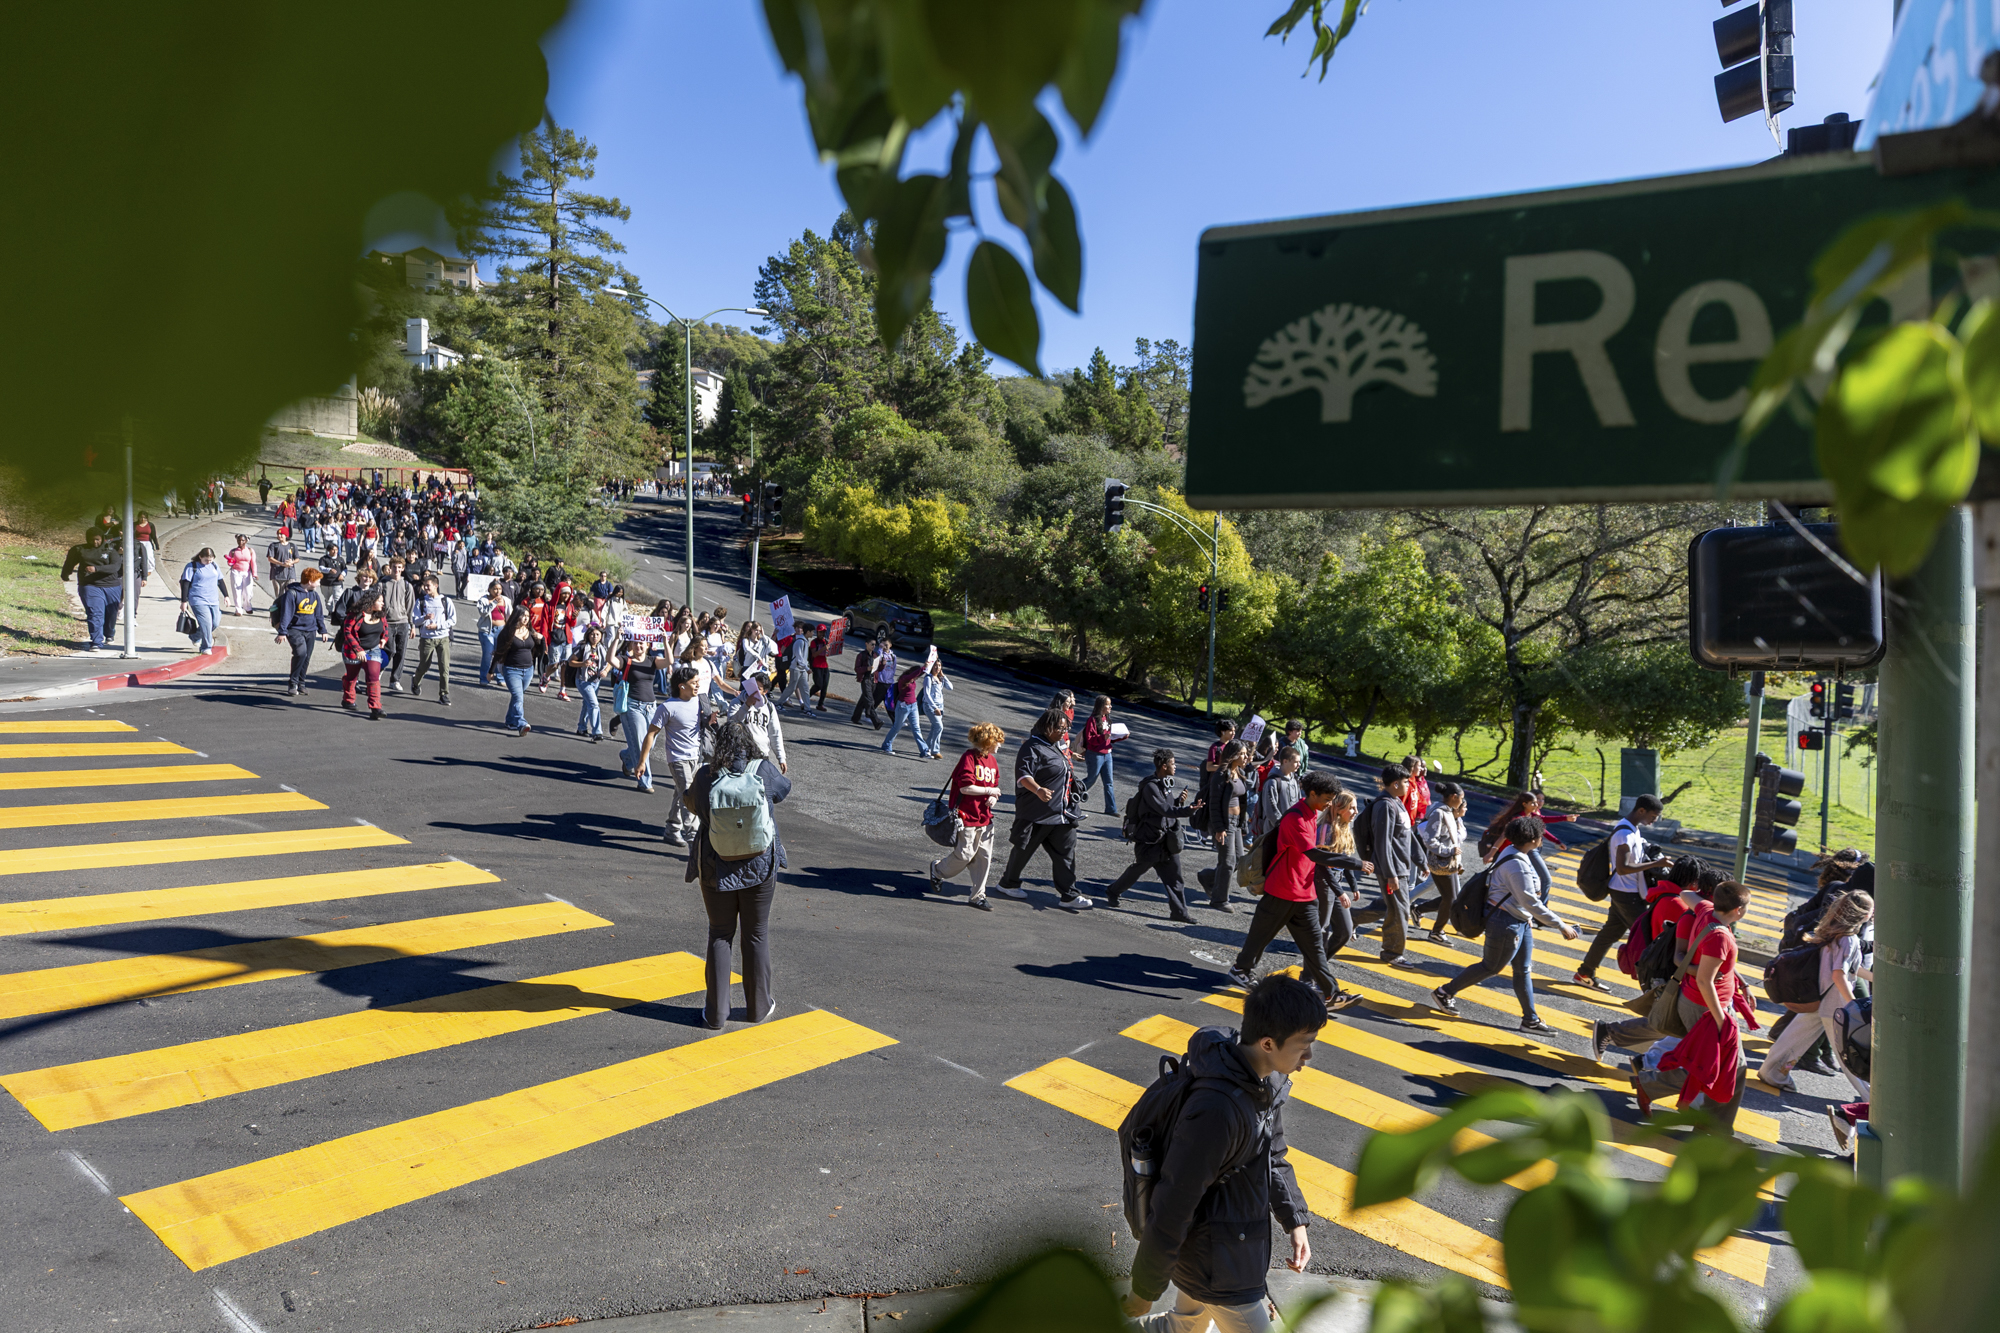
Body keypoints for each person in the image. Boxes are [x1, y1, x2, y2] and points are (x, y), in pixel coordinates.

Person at [1123, 975, 1317, 1333]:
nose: (1309, 1055)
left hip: (1228, 1247)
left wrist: (1295, 1220)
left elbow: (1272, 1154)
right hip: (1217, 1261)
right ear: (1268, 1043)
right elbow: (1174, 1202)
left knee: (1186, 1326)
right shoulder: (1217, 1111)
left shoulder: (1264, 1081)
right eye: (1303, 1045)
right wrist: (1145, 1288)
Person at [684, 718, 792, 1028]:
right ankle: (758, 1008)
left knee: (720, 934)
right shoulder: (763, 770)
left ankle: (716, 1014)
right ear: (750, 744)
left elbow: (690, 803)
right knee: (756, 934)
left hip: (715, 865)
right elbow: (784, 789)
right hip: (760, 865)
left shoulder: (706, 775)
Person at [1630, 880, 1759, 1132]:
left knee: (1721, 1065)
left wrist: (1741, 984)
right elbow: (1704, 980)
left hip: (1698, 1002)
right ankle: (1655, 1088)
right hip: (1706, 1008)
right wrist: (1721, 1019)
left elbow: (1686, 893)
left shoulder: (1706, 910)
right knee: (1722, 1066)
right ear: (1739, 910)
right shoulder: (1720, 937)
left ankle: (1710, 1122)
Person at [1430, 816, 1578, 1032]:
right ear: (1533, 839)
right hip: (1505, 923)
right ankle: (1445, 992)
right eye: (1540, 836)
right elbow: (1530, 901)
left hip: (1519, 920)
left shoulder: (1513, 851)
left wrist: (1529, 916)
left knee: (1523, 970)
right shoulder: (1517, 864)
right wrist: (1560, 925)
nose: (1542, 839)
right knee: (1491, 966)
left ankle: (1530, 1020)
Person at [1227, 771, 1345, 1007]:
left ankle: (1332, 994)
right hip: (1282, 890)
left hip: (1304, 893)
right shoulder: (1296, 818)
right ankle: (1240, 969)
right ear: (1313, 794)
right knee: (1260, 936)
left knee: (1315, 948)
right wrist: (1355, 864)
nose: (1330, 804)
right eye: (1327, 799)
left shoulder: (1312, 813)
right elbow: (1313, 854)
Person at [1753, 889, 1873, 1098]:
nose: (1874, 913)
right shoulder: (1849, 939)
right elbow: (1839, 974)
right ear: (1862, 914)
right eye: (1872, 909)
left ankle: (1771, 1072)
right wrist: (1852, 1005)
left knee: (1793, 1037)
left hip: (1818, 997)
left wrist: (1875, 978)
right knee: (1847, 1052)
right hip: (1833, 1003)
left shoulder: (1834, 933)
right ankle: (1871, 1097)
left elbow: (1852, 968)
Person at [993, 707, 1091, 910]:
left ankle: (1069, 895)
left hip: (1062, 813)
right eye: (1060, 728)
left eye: (1066, 729)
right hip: (1037, 812)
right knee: (1023, 850)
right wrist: (1038, 790)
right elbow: (1023, 776)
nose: (1064, 732)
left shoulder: (1057, 746)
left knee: (1066, 853)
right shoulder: (1032, 747)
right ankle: (1008, 883)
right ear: (1047, 727)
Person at [1574, 794, 1673, 990]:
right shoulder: (1624, 834)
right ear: (1641, 810)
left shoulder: (1632, 828)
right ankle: (1653, 989)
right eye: (1653, 816)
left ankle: (1584, 973)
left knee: (1608, 935)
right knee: (1649, 942)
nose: (1654, 820)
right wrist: (1656, 864)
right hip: (1627, 896)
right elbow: (1623, 868)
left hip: (1624, 892)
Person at [1103, 749, 1197, 923]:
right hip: (1150, 842)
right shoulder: (1150, 787)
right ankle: (1113, 891)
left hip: (1165, 841)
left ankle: (1179, 913)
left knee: (1175, 878)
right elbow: (1164, 809)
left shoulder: (1165, 784)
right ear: (1164, 766)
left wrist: (1179, 801)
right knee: (1136, 872)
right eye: (1173, 763)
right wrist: (1187, 811)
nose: (1175, 766)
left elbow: (1168, 807)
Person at [929, 722, 1006, 909]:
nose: (1000, 745)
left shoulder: (992, 761)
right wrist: (990, 790)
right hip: (965, 816)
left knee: (984, 857)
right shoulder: (969, 758)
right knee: (964, 855)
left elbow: (994, 787)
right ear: (988, 741)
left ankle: (977, 896)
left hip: (985, 817)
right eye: (997, 741)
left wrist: (993, 797)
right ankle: (937, 870)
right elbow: (966, 788)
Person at [1366, 765, 1424, 968]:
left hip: (1401, 867)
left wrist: (1421, 860)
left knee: (1389, 906)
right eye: (1406, 782)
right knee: (1400, 911)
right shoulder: (1385, 806)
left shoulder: (1397, 802)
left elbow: (1407, 835)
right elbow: (1382, 843)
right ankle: (1392, 952)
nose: (1409, 785)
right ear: (1396, 784)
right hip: (1392, 869)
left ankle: (1350, 919)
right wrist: (1391, 874)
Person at [641, 666, 706, 846]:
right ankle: (694, 841)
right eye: (694, 683)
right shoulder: (667, 707)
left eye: (698, 682)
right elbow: (651, 734)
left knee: (681, 793)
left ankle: (671, 829)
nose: (698, 685)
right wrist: (642, 762)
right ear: (681, 686)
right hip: (678, 759)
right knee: (690, 796)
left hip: (697, 757)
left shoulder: (699, 701)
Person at [1195, 742, 1252, 912]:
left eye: (1246, 753)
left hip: (1235, 822)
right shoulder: (1220, 775)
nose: (1246, 757)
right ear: (1233, 755)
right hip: (1223, 822)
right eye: (1242, 754)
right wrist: (1219, 829)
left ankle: (1208, 878)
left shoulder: (1240, 772)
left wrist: (1242, 825)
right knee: (1227, 862)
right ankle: (1219, 900)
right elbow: (1214, 805)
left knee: (1239, 861)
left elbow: (1242, 802)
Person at [1414, 781, 1468, 942]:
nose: (1462, 802)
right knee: (1451, 899)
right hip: (1441, 862)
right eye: (1461, 798)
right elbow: (1430, 840)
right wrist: (1449, 851)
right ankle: (1436, 931)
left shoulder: (1447, 811)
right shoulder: (1439, 812)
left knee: (1451, 898)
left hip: (1448, 862)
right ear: (1454, 797)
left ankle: (1421, 913)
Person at [62, 529, 124, 651]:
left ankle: (109, 633)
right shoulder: (79, 550)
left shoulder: (110, 550)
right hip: (89, 585)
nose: (95, 542)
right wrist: (65, 574)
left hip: (111, 585)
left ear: (102, 538)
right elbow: (69, 562)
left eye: (97, 539)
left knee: (111, 614)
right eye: (92, 539)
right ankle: (96, 641)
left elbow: (115, 566)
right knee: (95, 613)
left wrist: (96, 569)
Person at [272, 567, 328, 698]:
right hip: (295, 629)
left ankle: (301, 683)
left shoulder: (314, 595)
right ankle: (293, 683)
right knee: (300, 653)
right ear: (310, 581)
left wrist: (323, 630)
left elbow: (319, 614)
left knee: (306, 657)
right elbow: (286, 614)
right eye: (318, 581)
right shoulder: (291, 594)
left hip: (311, 630)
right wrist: (282, 632)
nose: (319, 583)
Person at [336, 588, 389, 719]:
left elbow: (386, 629)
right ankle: (348, 699)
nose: (382, 603)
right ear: (371, 602)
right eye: (380, 601)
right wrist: (358, 650)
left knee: (373, 677)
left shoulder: (380, 615)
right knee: (352, 677)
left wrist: (384, 639)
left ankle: (376, 707)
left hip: (373, 650)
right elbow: (348, 633)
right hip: (353, 650)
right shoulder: (355, 615)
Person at [494, 600, 544, 736]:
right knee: (518, 697)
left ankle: (510, 721)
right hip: (512, 670)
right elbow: (498, 653)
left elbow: (540, 651)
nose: (526, 618)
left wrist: (542, 639)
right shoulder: (507, 633)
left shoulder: (530, 632)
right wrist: (491, 671)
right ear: (517, 616)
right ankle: (521, 723)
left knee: (518, 697)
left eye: (528, 616)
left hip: (528, 670)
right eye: (523, 615)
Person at [411, 574, 456, 705]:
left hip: (443, 638)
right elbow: (415, 620)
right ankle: (416, 682)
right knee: (424, 666)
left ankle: (444, 694)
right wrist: (424, 618)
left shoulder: (446, 601)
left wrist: (438, 626)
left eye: (428, 585)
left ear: (436, 586)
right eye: (424, 585)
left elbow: (452, 620)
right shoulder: (421, 601)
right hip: (427, 638)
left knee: (444, 667)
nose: (425, 588)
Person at [731, 673, 789, 772]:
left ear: (765, 692)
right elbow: (731, 724)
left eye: (758, 689)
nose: (753, 692)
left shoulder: (769, 707)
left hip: (761, 754)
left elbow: (775, 733)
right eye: (751, 687)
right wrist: (746, 705)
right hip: (741, 753)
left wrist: (781, 757)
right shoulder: (737, 702)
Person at [1078, 695, 1126, 815]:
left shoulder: (1107, 719)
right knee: (1091, 779)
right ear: (1101, 706)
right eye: (1107, 704)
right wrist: (1102, 737)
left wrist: (1122, 737)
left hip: (1107, 754)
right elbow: (1090, 739)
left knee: (1109, 782)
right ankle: (1071, 794)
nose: (1110, 707)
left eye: (1110, 704)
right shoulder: (1092, 720)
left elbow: (1109, 739)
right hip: (1095, 754)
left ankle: (1111, 809)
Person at [378, 556, 415, 695]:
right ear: (390, 567)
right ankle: (380, 669)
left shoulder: (407, 585)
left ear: (403, 569)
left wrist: (412, 625)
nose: (396, 570)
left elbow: (410, 607)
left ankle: (395, 679)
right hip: (387, 622)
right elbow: (376, 603)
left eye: (399, 567)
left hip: (403, 622)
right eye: (394, 567)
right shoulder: (382, 584)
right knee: (389, 650)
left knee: (401, 652)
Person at [178, 546, 226, 652]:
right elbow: (185, 584)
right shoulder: (191, 566)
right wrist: (184, 601)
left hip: (213, 600)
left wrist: (226, 596)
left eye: (210, 560)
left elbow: (220, 581)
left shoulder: (214, 566)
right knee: (206, 623)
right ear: (200, 557)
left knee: (215, 623)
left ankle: (195, 636)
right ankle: (206, 647)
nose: (208, 562)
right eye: (206, 560)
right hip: (198, 599)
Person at [881, 656, 929, 757]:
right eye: (916, 675)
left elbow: (919, 673)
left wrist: (928, 665)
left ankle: (924, 751)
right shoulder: (904, 679)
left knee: (916, 729)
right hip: (903, 707)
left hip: (913, 706)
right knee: (896, 727)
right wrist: (923, 668)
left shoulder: (912, 679)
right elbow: (914, 674)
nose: (916, 678)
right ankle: (886, 745)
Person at [1253, 746, 1303, 841]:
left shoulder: (1294, 780)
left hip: (1291, 829)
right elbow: (1270, 809)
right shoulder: (1273, 781)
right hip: (1274, 830)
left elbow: (1298, 803)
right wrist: (1281, 825)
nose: (1299, 765)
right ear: (1285, 761)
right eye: (1296, 762)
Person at [572, 623, 610, 740]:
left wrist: (606, 671)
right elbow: (571, 662)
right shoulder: (582, 647)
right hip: (583, 680)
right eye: (592, 634)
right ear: (588, 635)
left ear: (601, 636)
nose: (595, 637)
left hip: (596, 681)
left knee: (587, 703)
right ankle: (597, 732)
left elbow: (610, 661)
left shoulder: (602, 648)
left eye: (597, 634)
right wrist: (582, 664)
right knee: (594, 705)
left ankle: (581, 728)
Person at [918, 657, 953, 760]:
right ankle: (935, 751)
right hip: (930, 706)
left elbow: (950, 687)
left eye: (939, 666)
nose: (937, 668)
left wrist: (943, 676)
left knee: (935, 727)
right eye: (935, 666)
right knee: (939, 727)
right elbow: (927, 694)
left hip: (940, 706)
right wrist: (934, 707)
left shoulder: (940, 678)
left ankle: (926, 748)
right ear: (931, 667)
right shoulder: (928, 678)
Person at [476, 582, 509, 685]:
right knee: (488, 654)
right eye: (495, 589)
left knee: (500, 654)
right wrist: (493, 603)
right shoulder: (483, 600)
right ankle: (484, 678)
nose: (497, 591)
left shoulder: (506, 600)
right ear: (489, 589)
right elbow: (483, 613)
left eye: (499, 589)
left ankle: (500, 677)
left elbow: (509, 615)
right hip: (487, 631)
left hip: (501, 630)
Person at [850, 635, 883, 727]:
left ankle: (855, 718)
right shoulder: (861, 655)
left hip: (873, 680)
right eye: (872, 644)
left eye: (875, 645)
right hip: (865, 679)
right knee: (869, 701)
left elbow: (879, 669)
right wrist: (866, 668)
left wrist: (882, 664)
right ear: (866, 644)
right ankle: (876, 721)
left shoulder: (875, 655)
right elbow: (857, 669)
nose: (873, 646)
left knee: (864, 700)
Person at [222, 534, 258, 615]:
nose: (241, 542)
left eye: (243, 540)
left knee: (248, 591)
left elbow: (253, 562)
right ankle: (238, 609)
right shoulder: (233, 551)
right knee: (237, 591)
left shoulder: (250, 551)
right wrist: (230, 562)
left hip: (247, 572)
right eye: (239, 540)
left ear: (246, 541)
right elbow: (230, 563)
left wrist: (254, 574)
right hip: (236, 572)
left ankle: (247, 606)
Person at [266, 528, 299, 601]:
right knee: (279, 597)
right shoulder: (274, 545)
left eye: (281, 534)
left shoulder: (292, 546)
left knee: (290, 595)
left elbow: (297, 559)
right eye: (278, 534)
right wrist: (282, 564)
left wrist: (292, 562)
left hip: (290, 574)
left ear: (286, 535)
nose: (279, 536)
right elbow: (270, 558)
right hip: (277, 574)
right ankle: (279, 607)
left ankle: (288, 607)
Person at [807, 623, 832, 711]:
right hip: (816, 665)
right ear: (817, 632)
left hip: (824, 666)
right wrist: (823, 649)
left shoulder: (826, 642)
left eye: (823, 632)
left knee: (824, 686)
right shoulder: (814, 642)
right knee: (818, 685)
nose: (822, 634)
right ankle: (807, 697)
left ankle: (820, 704)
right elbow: (814, 654)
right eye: (820, 632)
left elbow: (829, 653)